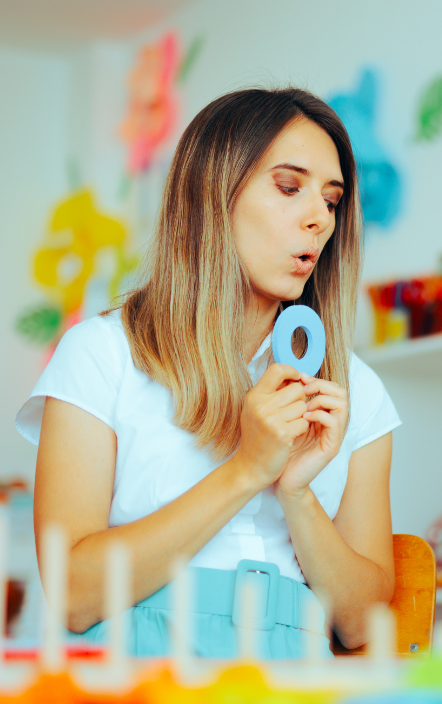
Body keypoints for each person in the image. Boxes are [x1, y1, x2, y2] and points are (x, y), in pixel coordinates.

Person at [15, 88, 400, 659]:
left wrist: (296, 492)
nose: (320, 218)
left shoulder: (355, 389)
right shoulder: (102, 352)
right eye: (289, 187)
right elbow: (74, 596)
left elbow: (364, 625)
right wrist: (247, 469)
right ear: (211, 194)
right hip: (136, 678)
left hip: (294, 685)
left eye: (332, 199)